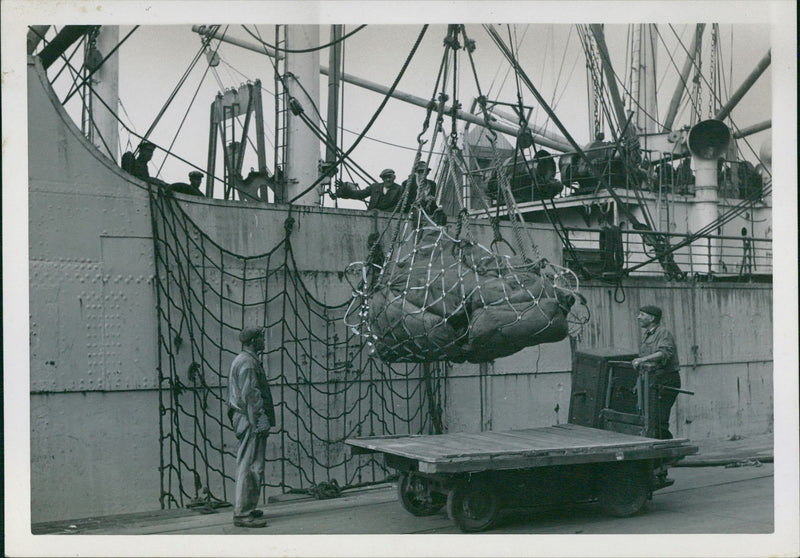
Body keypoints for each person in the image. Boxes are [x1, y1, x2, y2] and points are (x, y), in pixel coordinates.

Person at [227, 326, 275, 528]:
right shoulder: (247, 363)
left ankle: (247, 507)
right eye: (261, 338)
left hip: (247, 418)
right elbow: (251, 396)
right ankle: (242, 514)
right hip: (250, 419)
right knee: (250, 466)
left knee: (252, 464)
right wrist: (260, 419)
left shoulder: (246, 360)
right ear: (253, 341)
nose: (264, 341)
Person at [631, 305, 681, 440]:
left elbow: (665, 353)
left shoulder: (663, 333)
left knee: (659, 419)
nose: (638, 317)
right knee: (651, 419)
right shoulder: (647, 335)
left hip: (665, 380)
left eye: (642, 315)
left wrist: (642, 359)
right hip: (652, 380)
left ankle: (668, 452)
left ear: (652, 318)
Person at [335, 168, 410, 212]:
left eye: (389, 177)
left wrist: (382, 213)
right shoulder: (375, 187)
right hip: (372, 218)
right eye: (385, 177)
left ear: (394, 177)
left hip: (390, 219)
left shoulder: (400, 189)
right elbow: (360, 195)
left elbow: (400, 206)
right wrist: (345, 189)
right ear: (382, 179)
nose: (388, 180)